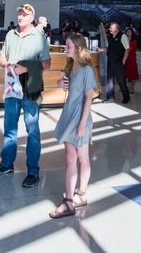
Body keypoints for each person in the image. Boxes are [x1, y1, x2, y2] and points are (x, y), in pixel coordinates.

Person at [0, 4, 51, 189]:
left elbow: (46, 64)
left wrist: (27, 68)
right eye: (20, 14)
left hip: (30, 88)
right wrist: (5, 63)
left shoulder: (39, 37)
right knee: (9, 128)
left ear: (32, 18)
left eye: (25, 15)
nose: (21, 17)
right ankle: (7, 164)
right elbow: (1, 56)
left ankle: (33, 171)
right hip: (11, 88)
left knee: (32, 131)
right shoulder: (10, 35)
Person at [49, 33, 99, 219]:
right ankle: (70, 199)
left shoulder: (86, 70)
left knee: (82, 157)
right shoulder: (71, 66)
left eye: (69, 45)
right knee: (70, 157)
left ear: (78, 48)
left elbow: (89, 97)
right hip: (69, 115)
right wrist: (60, 82)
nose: (65, 47)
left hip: (80, 118)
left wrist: (82, 124)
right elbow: (62, 82)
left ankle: (79, 194)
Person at [104, 22, 130, 103]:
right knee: (109, 80)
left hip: (118, 62)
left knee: (121, 80)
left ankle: (126, 97)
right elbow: (109, 47)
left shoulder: (123, 36)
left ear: (116, 29)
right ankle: (109, 98)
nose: (109, 29)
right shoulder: (111, 37)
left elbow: (127, 49)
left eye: (111, 28)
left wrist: (123, 61)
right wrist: (101, 49)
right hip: (110, 61)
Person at [125, 26, 139, 94]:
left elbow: (133, 49)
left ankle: (132, 88)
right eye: (127, 32)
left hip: (132, 58)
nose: (128, 33)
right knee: (127, 73)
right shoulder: (124, 40)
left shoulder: (134, 41)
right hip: (126, 58)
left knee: (133, 73)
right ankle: (127, 87)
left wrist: (127, 49)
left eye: (129, 32)